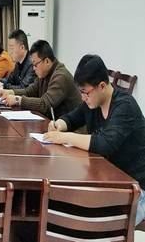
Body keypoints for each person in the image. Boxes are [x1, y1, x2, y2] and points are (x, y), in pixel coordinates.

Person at [44, 54, 145, 225]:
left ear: (102, 86)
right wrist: (58, 124)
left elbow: (104, 144)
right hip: (107, 179)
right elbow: (73, 118)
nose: (83, 98)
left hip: (136, 187)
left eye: (85, 93)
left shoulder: (125, 106)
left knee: (95, 226)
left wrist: (64, 137)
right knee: (64, 208)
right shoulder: (93, 102)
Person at [0, 40, 81, 118]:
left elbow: (45, 104)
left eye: (35, 65)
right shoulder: (44, 73)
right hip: (53, 122)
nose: (34, 68)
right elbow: (30, 91)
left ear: (47, 61)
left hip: (70, 126)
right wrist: (11, 92)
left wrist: (18, 100)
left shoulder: (61, 76)